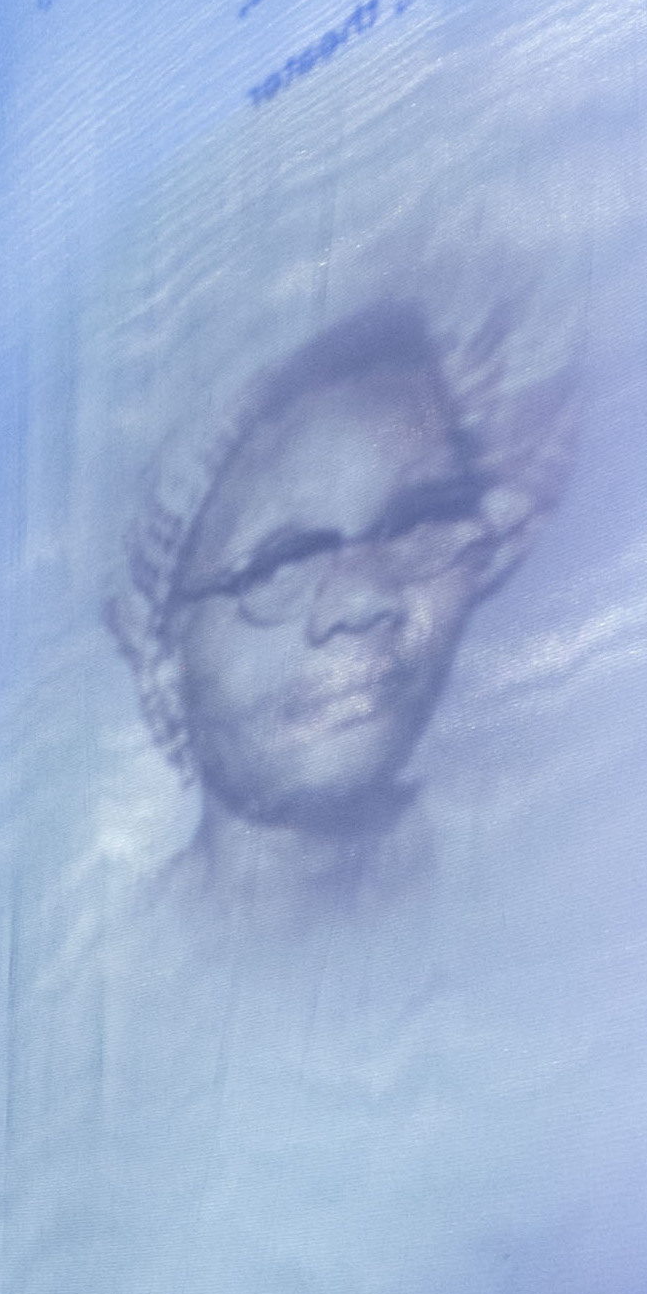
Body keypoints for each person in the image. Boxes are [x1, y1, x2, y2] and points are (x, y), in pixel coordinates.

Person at [108, 300, 543, 909]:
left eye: (417, 523)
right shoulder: (116, 951)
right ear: (162, 660)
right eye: (280, 563)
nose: (365, 599)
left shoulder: (542, 868)